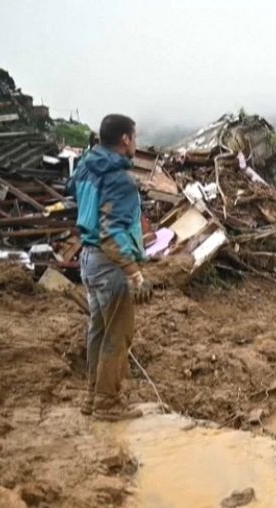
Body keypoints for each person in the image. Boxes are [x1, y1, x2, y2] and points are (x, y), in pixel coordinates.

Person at [70, 114, 152, 420]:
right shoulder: (119, 179)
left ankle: (92, 397)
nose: (137, 142)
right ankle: (107, 402)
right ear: (126, 139)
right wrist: (135, 273)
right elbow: (111, 232)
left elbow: (74, 193)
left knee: (99, 331)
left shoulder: (87, 167)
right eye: (136, 136)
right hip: (109, 265)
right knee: (118, 335)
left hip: (88, 259)